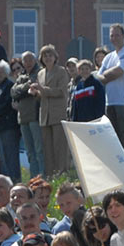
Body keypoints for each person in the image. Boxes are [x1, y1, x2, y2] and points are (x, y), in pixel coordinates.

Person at [98, 23, 124, 157]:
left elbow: (116, 72)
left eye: (117, 35)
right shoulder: (109, 57)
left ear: (123, 36)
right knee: (113, 139)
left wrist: (103, 77)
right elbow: (99, 77)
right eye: (112, 35)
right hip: (109, 102)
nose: (114, 38)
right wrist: (103, 77)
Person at [33, 45, 72, 176]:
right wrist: (35, 92)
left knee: (60, 146)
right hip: (45, 115)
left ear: (55, 57)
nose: (48, 58)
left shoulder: (61, 71)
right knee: (47, 148)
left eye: (50, 55)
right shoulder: (40, 73)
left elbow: (61, 91)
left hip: (57, 113)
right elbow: (42, 93)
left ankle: (62, 173)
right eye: (45, 55)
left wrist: (43, 90)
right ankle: (50, 175)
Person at [0, 63, 22, 180]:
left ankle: (15, 181)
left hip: (9, 127)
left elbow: (7, 104)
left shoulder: (9, 86)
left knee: (11, 157)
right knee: (4, 158)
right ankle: (8, 182)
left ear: (7, 72)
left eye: (1, 72)